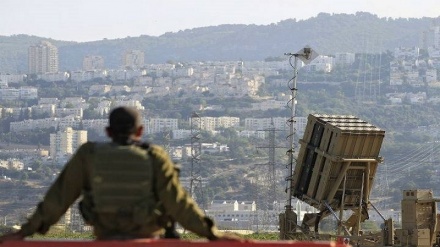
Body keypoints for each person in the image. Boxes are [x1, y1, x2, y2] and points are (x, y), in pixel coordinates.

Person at [0, 106, 239, 242]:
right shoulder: (154, 156)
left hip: (105, 236)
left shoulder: (89, 154)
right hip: (147, 238)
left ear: (107, 131)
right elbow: (178, 203)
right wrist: (213, 235)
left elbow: (59, 198)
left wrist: (24, 232)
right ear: (141, 130)